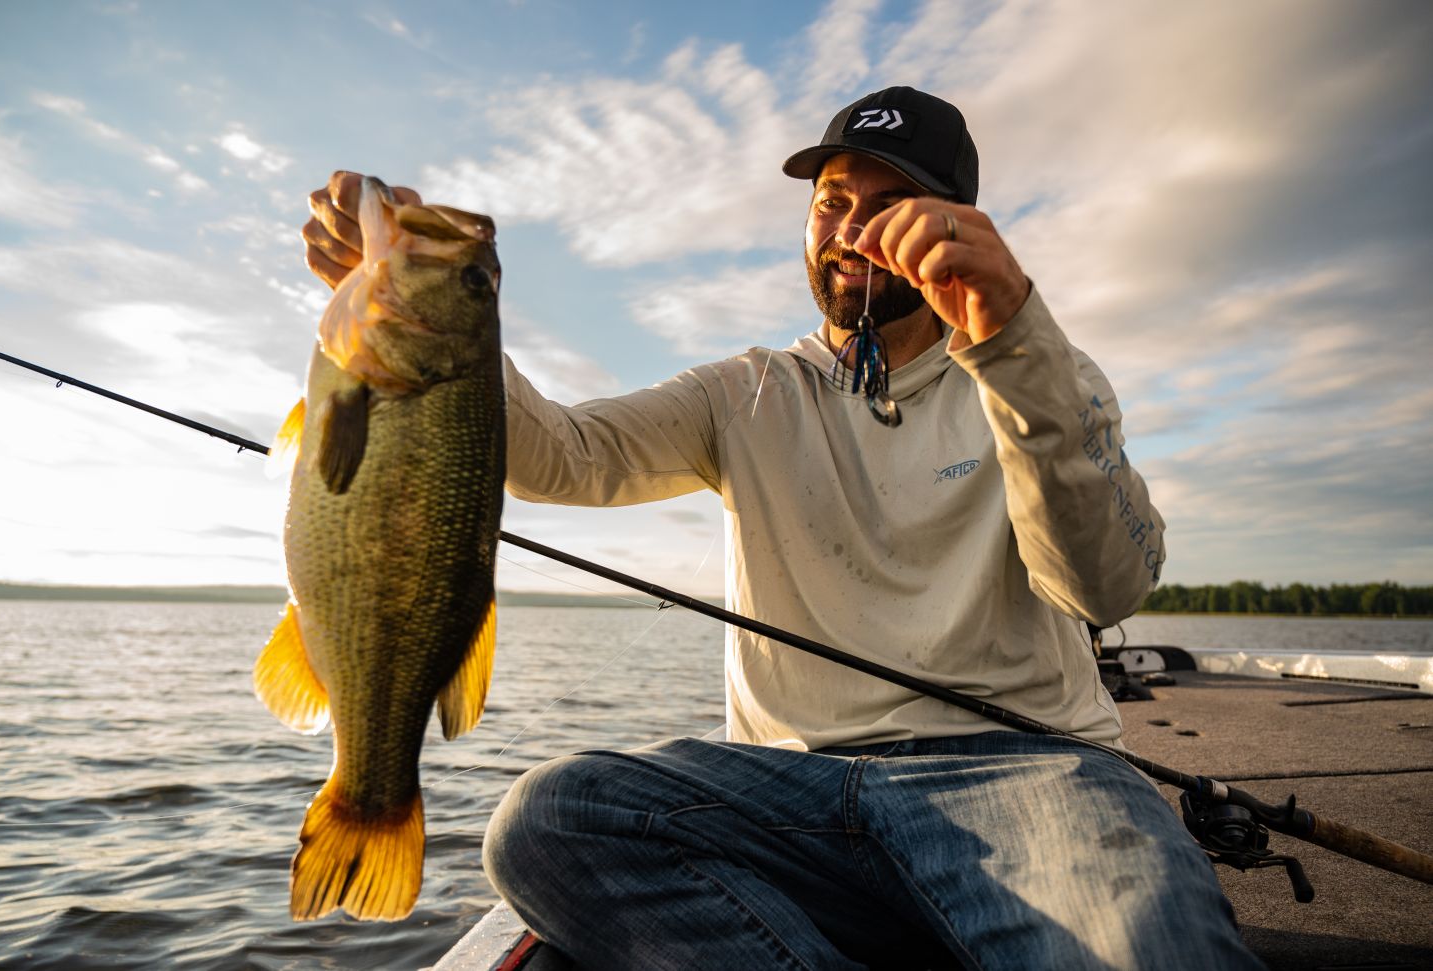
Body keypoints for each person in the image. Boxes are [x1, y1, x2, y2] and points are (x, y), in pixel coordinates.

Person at [303, 86, 1261, 970]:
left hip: (1033, 777)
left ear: (959, 224)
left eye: (890, 205)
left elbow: (1104, 587)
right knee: (551, 819)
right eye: (833, 200)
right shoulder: (747, 390)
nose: (851, 230)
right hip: (788, 797)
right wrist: (427, 307)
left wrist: (1012, 336)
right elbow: (563, 455)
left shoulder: (1037, 368)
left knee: (1161, 945)